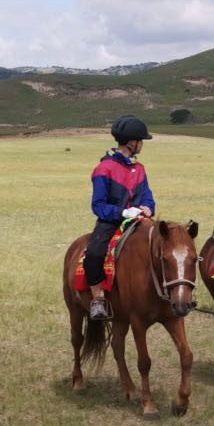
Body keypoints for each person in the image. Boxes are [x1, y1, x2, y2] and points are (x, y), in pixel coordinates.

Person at [74, 116, 156, 321]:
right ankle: (98, 299)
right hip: (111, 222)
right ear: (131, 142)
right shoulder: (104, 169)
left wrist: (148, 207)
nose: (142, 145)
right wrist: (123, 213)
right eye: (141, 140)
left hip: (139, 222)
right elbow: (98, 205)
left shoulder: (140, 168)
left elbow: (147, 195)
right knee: (93, 253)